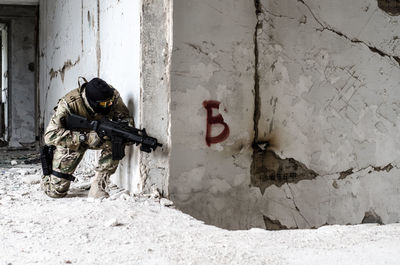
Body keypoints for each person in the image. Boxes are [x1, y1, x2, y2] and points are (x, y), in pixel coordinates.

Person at [41, 77, 133, 199]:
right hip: (72, 141)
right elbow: (50, 136)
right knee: (56, 192)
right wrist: (85, 137)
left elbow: (125, 120)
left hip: (99, 136)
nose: (109, 105)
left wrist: (128, 132)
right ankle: (48, 178)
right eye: (104, 104)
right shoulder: (69, 103)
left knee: (117, 140)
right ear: (92, 102)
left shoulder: (112, 96)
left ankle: (98, 185)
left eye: (110, 102)